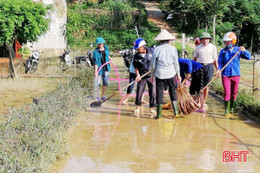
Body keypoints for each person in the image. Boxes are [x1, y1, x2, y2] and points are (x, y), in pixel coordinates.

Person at [217, 32, 251, 117]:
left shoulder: (238, 50)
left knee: (234, 92)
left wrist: (245, 50)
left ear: (233, 41)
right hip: (226, 75)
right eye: (225, 41)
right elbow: (220, 63)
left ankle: (232, 108)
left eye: (228, 41)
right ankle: (226, 111)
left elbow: (249, 57)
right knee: (227, 92)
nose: (226, 43)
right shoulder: (223, 51)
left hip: (236, 74)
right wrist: (219, 70)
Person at [150, 29, 181, 119]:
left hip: (160, 73)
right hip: (171, 72)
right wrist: (178, 74)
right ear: (169, 40)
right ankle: (176, 113)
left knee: (159, 92)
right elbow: (176, 63)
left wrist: (152, 75)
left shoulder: (156, 49)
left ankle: (159, 115)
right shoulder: (173, 49)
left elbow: (153, 64)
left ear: (160, 40)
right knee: (173, 91)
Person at [193, 32, 218, 113]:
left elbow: (215, 59)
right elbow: (194, 58)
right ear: (201, 40)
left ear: (209, 40)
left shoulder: (213, 47)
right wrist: (193, 69)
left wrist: (217, 69)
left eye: (207, 39)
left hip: (209, 66)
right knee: (200, 85)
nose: (205, 41)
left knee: (206, 85)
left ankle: (204, 101)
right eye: (203, 39)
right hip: (200, 66)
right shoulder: (198, 48)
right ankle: (200, 102)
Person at [132, 38, 156, 116]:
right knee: (139, 91)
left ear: (143, 46)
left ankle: (152, 108)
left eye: (138, 48)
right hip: (142, 76)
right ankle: (137, 108)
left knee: (152, 92)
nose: (137, 50)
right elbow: (136, 67)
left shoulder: (152, 51)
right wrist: (138, 75)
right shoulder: (136, 56)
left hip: (151, 75)